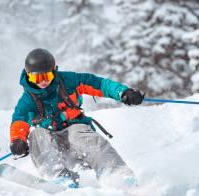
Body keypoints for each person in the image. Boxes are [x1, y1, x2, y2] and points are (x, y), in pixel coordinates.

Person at [9, 48, 144, 188]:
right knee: (37, 135)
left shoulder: (68, 81)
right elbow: (20, 120)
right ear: (28, 75)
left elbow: (98, 84)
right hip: (51, 142)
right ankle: (60, 178)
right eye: (36, 78)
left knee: (79, 135)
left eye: (46, 76)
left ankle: (116, 173)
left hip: (76, 131)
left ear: (54, 70)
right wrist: (18, 140)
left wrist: (123, 93)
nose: (42, 82)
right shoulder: (27, 100)